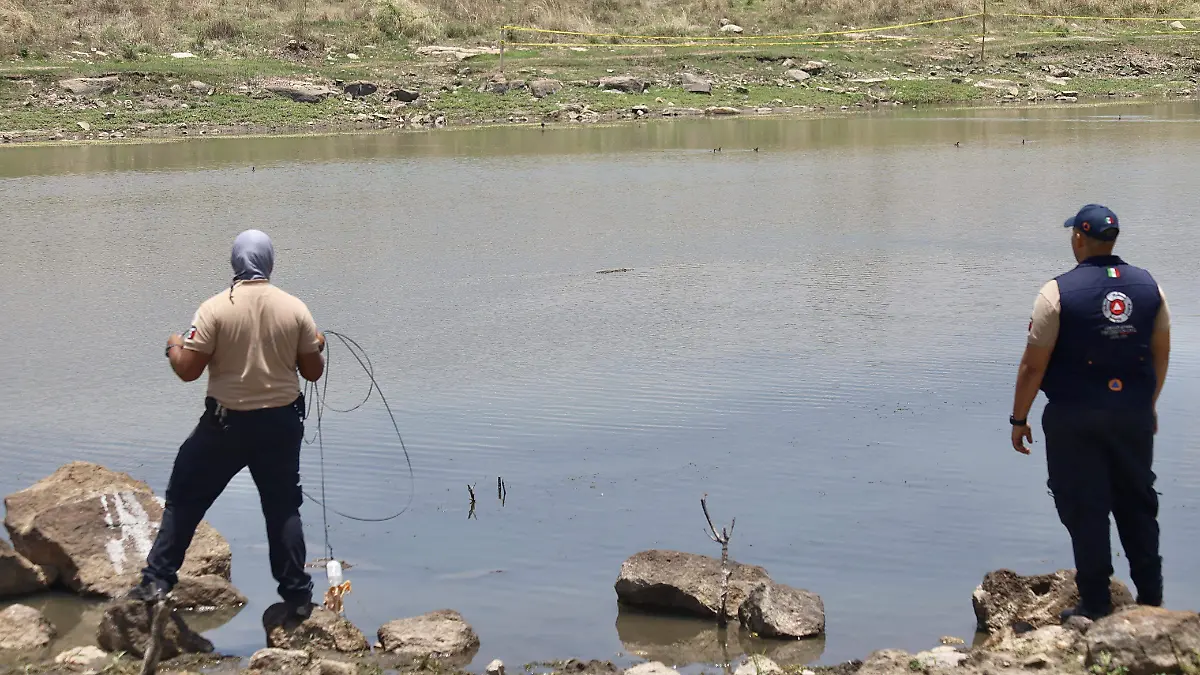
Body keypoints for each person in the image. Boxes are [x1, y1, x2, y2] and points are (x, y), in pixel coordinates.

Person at [129, 229, 326, 619]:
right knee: (282, 508)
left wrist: (173, 345)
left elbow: (188, 370)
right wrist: (315, 345)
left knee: (185, 497)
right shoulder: (295, 309)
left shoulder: (215, 309)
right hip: (280, 425)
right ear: (270, 262)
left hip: (225, 426)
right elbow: (312, 372)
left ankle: (156, 582)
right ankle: (297, 597)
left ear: (235, 262)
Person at [1009, 204, 1170, 621]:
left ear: (1079, 237)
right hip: (1132, 415)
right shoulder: (1149, 286)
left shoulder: (1056, 292)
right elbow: (1160, 352)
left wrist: (1019, 418)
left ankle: (1096, 604)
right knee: (1137, 503)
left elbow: (1032, 366)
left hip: (1075, 417)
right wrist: (1148, 404)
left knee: (1085, 506)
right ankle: (1152, 603)